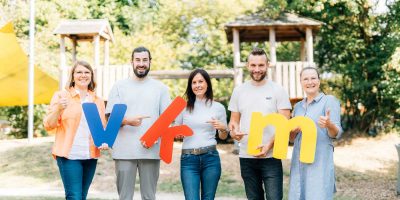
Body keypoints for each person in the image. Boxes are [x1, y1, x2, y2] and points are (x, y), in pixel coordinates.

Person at [106, 46, 171, 200]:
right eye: (138, 60)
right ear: (132, 62)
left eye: (144, 60)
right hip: (124, 152)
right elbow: (110, 119)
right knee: (125, 197)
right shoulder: (119, 86)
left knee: (149, 197)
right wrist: (128, 121)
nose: (141, 63)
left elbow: (167, 120)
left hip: (151, 151)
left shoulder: (161, 88)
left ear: (150, 62)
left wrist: (156, 135)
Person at [228, 48, 291, 200]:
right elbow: (234, 121)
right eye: (253, 65)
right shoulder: (239, 91)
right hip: (247, 157)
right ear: (247, 66)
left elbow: (284, 125)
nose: (257, 69)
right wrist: (234, 132)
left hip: (271, 157)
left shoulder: (278, 90)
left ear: (267, 65)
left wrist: (268, 146)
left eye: (261, 65)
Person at [43, 60, 107, 200]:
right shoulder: (61, 96)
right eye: (79, 72)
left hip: (90, 155)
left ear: (91, 76)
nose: (83, 75)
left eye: (86, 72)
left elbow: (101, 128)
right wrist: (59, 109)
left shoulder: (98, 101)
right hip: (69, 155)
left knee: (82, 196)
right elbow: (48, 125)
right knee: (74, 196)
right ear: (72, 76)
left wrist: (104, 141)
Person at [288, 67, 343, 200]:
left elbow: (337, 133)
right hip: (299, 162)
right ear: (301, 82)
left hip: (319, 162)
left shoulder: (329, 101)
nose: (310, 82)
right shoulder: (298, 107)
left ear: (319, 81)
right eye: (305, 79)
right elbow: (291, 139)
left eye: (313, 78)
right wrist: (292, 131)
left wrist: (329, 124)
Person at [174, 69, 228, 200]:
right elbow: (176, 132)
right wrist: (178, 133)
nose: (197, 85)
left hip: (210, 158)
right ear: (190, 86)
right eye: (194, 82)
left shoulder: (218, 108)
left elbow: (223, 137)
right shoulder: (182, 108)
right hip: (188, 160)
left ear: (207, 84)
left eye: (201, 81)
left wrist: (222, 128)